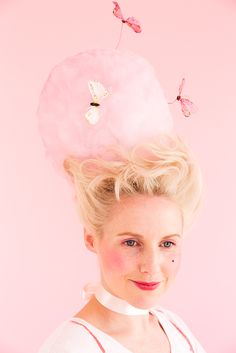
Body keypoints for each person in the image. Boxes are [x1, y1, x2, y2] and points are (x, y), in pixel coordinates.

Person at [36, 48, 206, 353]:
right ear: (91, 237)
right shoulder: (72, 347)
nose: (151, 266)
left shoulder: (176, 328)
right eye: (131, 242)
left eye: (168, 243)